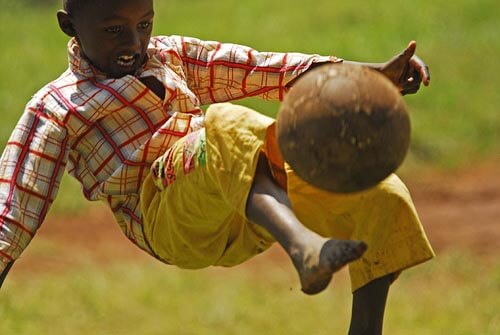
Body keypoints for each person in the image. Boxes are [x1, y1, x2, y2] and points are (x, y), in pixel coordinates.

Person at [0, 0, 434, 333]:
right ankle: (305, 247)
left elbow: (263, 70)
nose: (134, 43)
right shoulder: (56, 108)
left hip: (243, 201)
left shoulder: (170, 56)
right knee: (225, 122)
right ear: (69, 25)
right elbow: (13, 210)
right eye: (114, 30)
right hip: (167, 214)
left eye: (144, 24)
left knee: (380, 192)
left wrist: (371, 75)